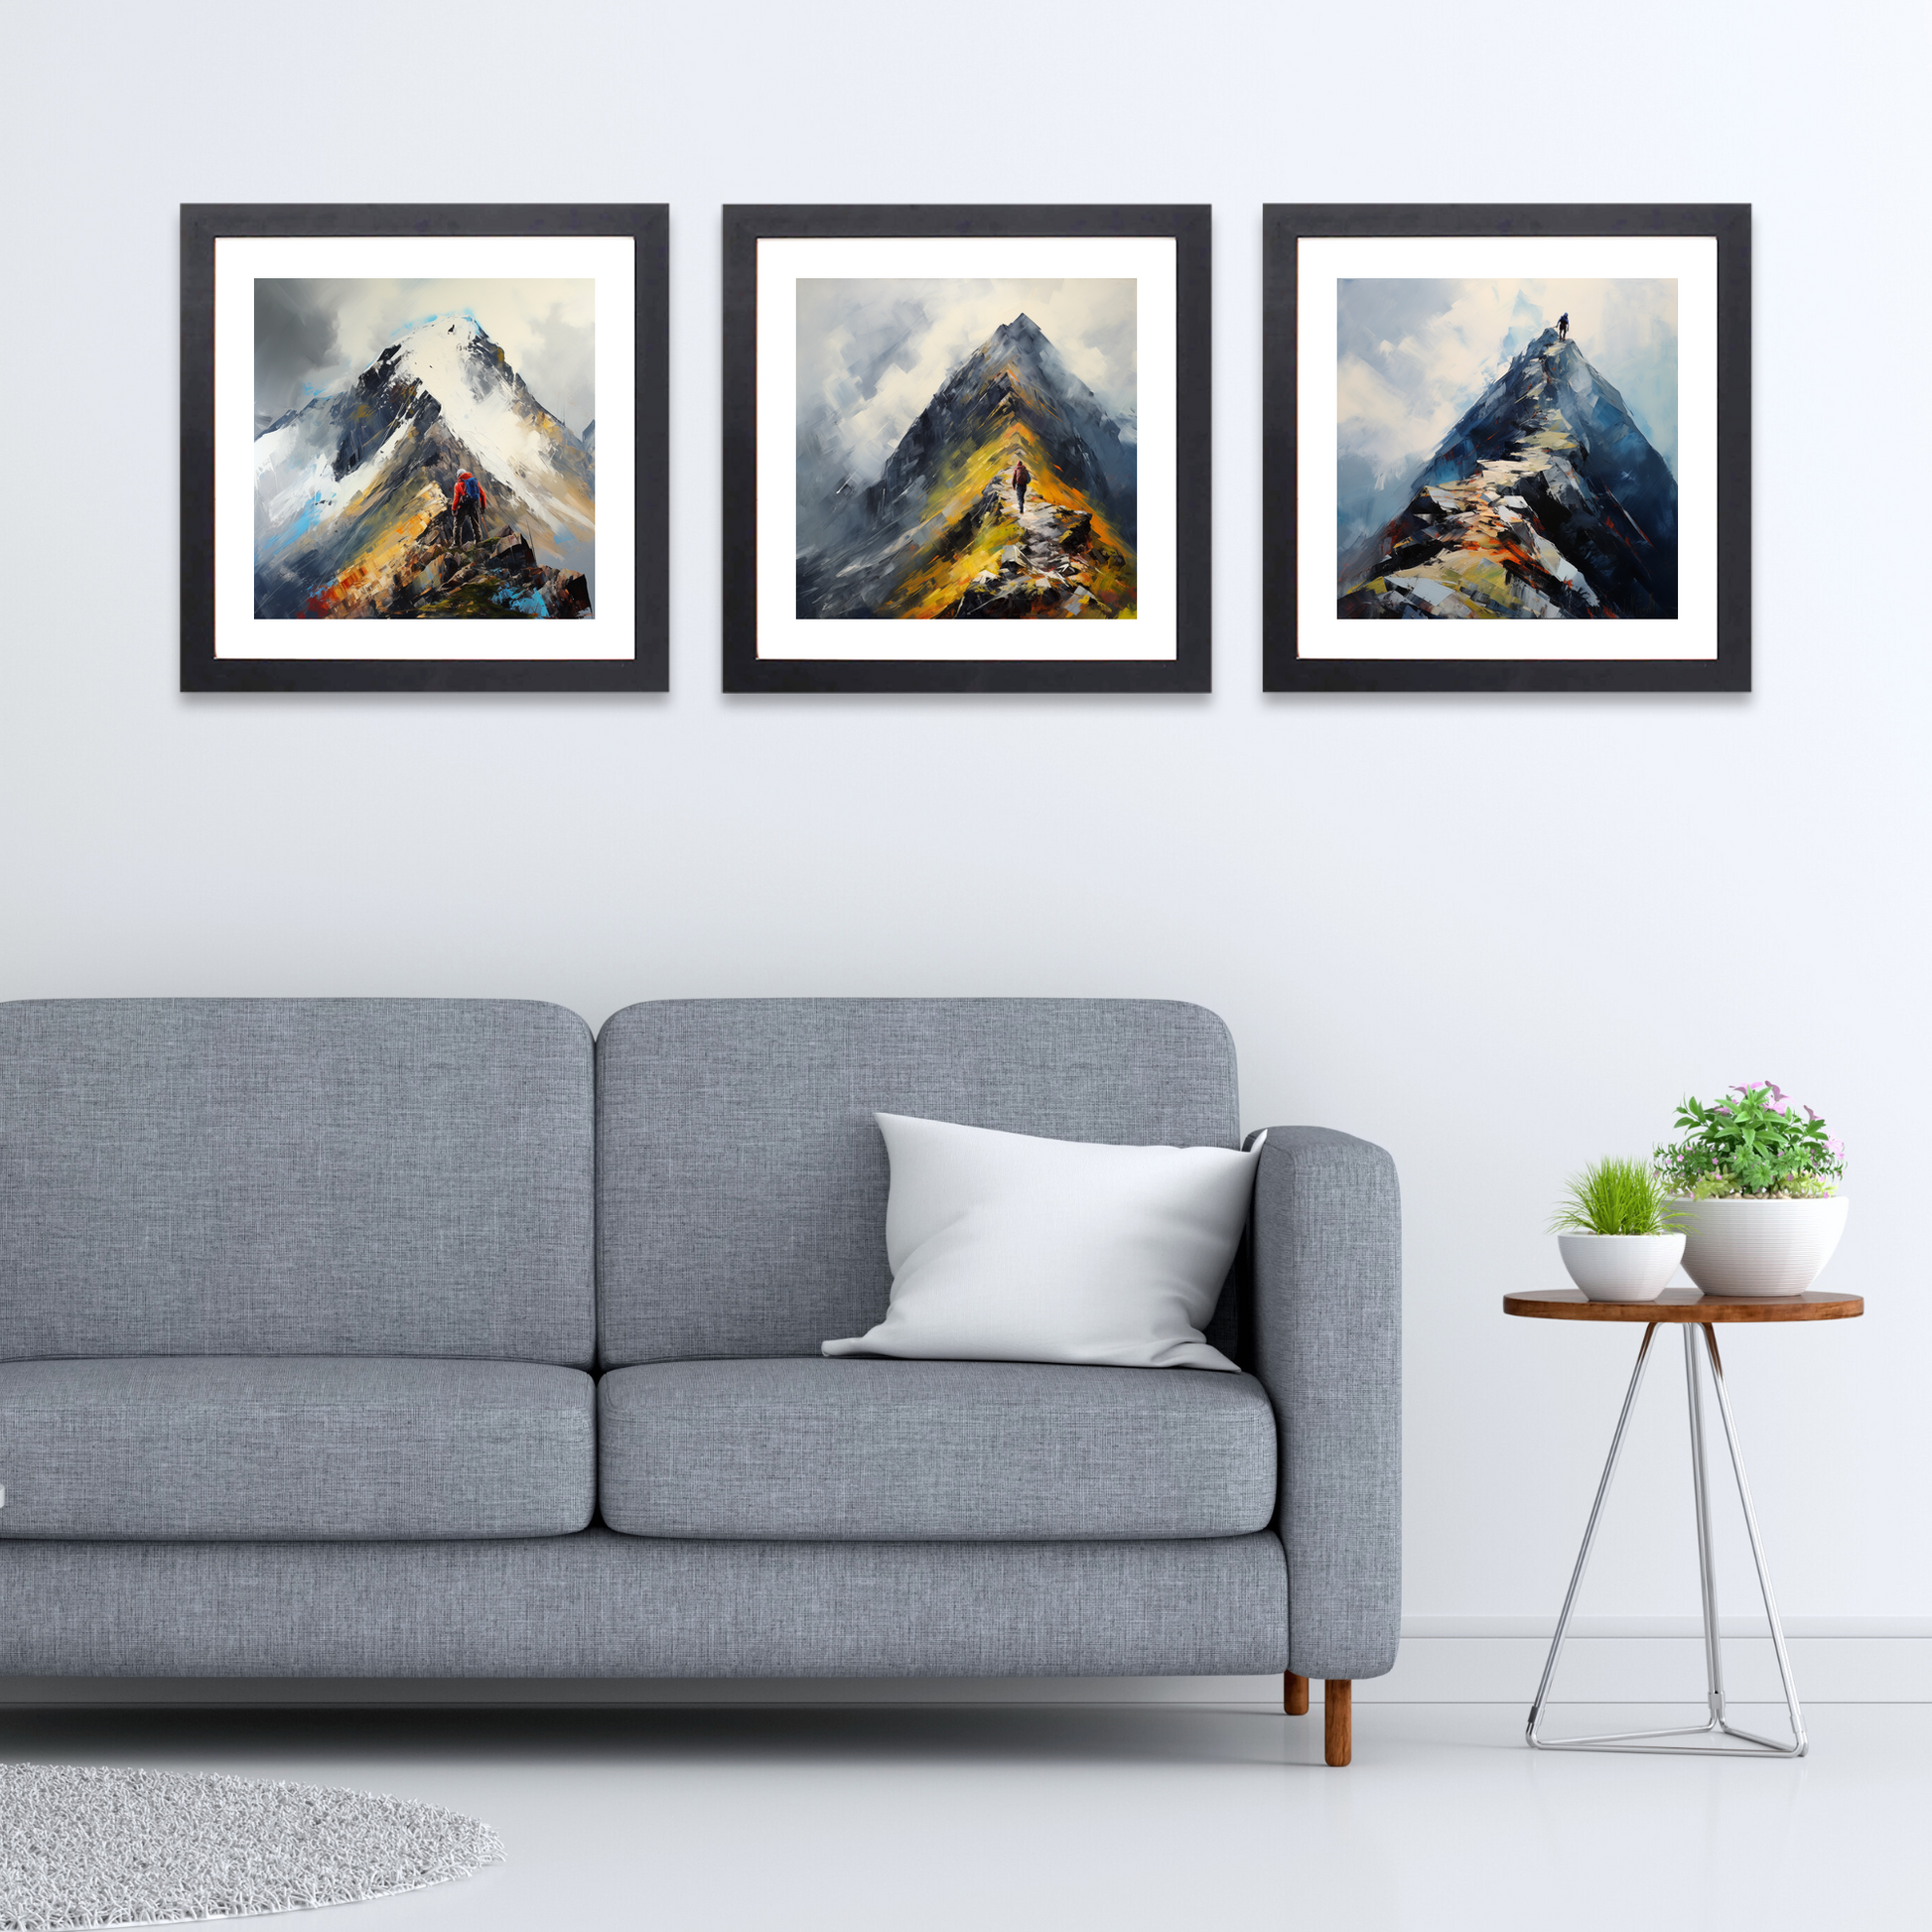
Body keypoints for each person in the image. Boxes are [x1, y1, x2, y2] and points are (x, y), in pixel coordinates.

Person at [451, 471, 487, 545]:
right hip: (474, 505)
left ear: (458, 476)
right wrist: (483, 507)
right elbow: (482, 494)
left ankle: (457, 544)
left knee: (458, 525)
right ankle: (479, 541)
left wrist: (454, 509)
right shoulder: (474, 481)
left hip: (463, 506)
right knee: (476, 524)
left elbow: (456, 498)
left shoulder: (458, 484)